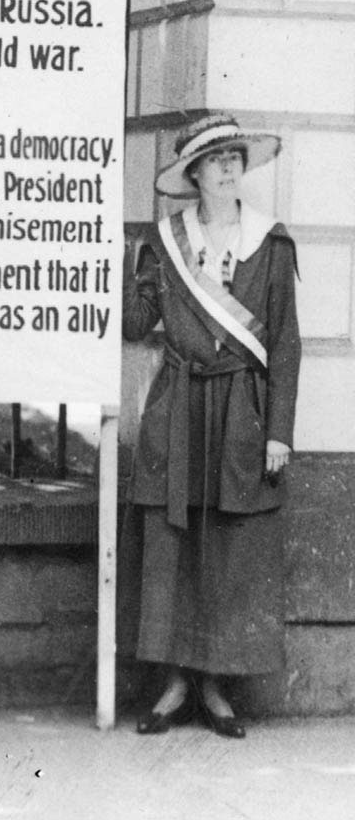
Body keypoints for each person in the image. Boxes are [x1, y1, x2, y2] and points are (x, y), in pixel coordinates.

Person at [122, 112, 301, 739]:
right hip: (179, 406)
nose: (229, 167)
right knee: (172, 541)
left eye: (235, 157)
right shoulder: (166, 241)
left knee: (228, 544)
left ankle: (216, 686)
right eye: (216, 159)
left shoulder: (269, 243)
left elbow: (284, 344)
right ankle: (174, 684)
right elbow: (135, 322)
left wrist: (278, 431)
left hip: (241, 412)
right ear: (194, 173)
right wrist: (121, 260)